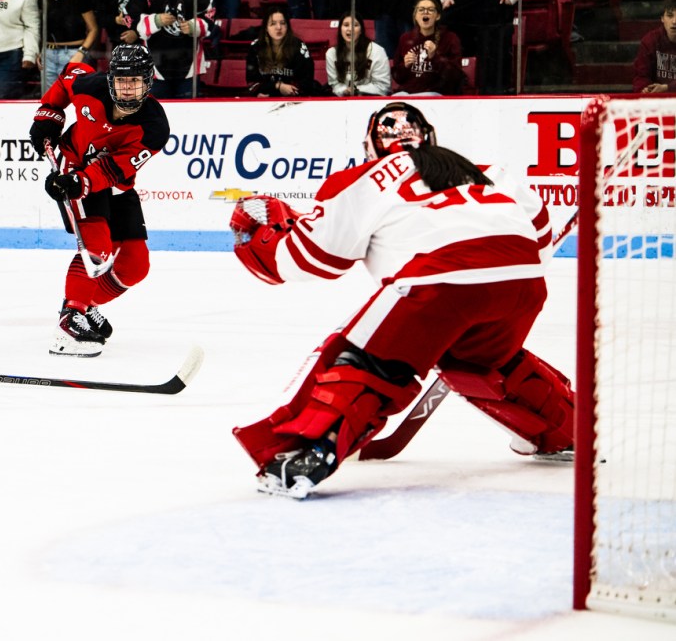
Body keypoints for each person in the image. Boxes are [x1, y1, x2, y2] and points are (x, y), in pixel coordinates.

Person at [228, 101, 572, 499]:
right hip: (522, 284)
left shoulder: (365, 176)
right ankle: (566, 429)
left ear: (371, 145)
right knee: (483, 362)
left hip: (437, 281)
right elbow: (541, 241)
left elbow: (311, 258)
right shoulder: (490, 172)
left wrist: (260, 236)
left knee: (365, 359)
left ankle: (307, 453)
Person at [28, 43, 170, 357]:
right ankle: (70, 321)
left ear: (148, 82)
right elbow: (68, 77)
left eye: (135, 81)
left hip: (112, 183)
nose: (128, 88)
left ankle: (82, 303)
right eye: (122, 80)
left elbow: (113, 168)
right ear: (111, 80)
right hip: (73, 167)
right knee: (97, 248)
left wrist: (83, 182)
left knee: (135, 265)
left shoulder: (155, 127)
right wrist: (48, 117)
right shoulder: (90, 86)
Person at [133, 0, 216, 99]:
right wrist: (155, 21)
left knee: (190, 117)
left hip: (189, 68)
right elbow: (131, 18)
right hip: (155, 68)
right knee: (159, 116)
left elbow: (210, 13)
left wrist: (194, 26)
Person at [40, 0, 99, 91]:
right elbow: (39, 26)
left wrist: (81, 53)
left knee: (74, 98)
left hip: (73, 53)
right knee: (50, 101)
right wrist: (39, 51)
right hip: (47, 53)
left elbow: (93, 29)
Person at [392, 0, 463, 95]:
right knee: (396, 98)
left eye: (430, 10)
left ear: (437, 16)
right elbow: (397, 77)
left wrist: (435, 57)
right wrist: (405, 65)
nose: (425, 12)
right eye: (421, 10)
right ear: (415, 16)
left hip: (436, 92)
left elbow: (455, 77)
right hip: (408, 92)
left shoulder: (449, 38)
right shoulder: (406, 38)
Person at [246, 5, 323, 96]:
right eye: (273, 23)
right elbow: (252, 82)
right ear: (266, 27)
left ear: (287, 26)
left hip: (294, 99)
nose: (278, 27)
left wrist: (280, 91)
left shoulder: (299, 47)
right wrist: (275, 87)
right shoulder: (256, 47)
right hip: (265, 99)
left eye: (282, 23)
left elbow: (306, 82)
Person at [325, 12, 390, 96]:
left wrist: (357, 90)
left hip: (371, 99)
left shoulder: (377, 51)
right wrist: (344, 90)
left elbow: (382, 87)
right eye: (346, 25)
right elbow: (335, 85)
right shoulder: (331, 54)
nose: (350, 29)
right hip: (344, 100)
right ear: (340, 30)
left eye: (355, 25)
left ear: (361, 31)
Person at [632, 0, 676, 93]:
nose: (674, 21)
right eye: (670, 16)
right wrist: (645, 89)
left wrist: (667, 88)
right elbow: (641, 75)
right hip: (657, 102)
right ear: (662, 19)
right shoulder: (650, 41)